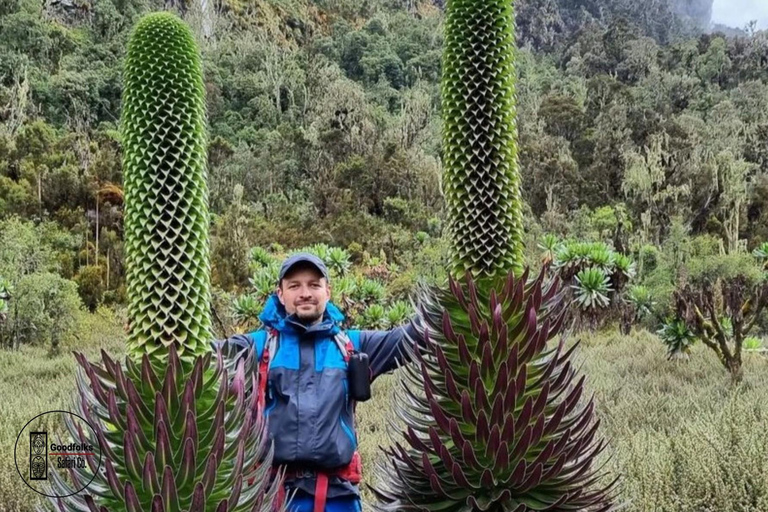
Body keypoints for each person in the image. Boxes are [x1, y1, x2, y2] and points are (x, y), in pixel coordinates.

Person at [215, 252, 423, 512]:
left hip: (339, 497)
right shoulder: (257, 347)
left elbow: (414, 337)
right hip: (273, 497)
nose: (305, 293)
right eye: (294, 286)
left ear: (328, 291)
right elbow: (196, 353)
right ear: (280, 294)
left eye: (314, 284)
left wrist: (462, 295)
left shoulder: (352, 346)